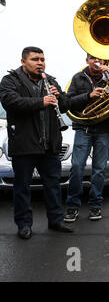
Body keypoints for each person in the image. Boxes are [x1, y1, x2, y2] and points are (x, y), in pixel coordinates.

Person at [0, 46, 78, 239]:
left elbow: (67, 105)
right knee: (22, 187)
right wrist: (41, 101)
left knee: (53, 185)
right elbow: (11, 102)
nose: (40, 63)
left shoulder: (50, 80)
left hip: (50, 144)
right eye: (35, 59)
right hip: (24, 144)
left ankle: (56, 220)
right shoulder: (10, 80)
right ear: (23, 62)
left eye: (42, 59)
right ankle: (24, 225)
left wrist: (59, 97)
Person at [64, 54, 109, 222]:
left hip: (104, 129)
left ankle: (95, 206)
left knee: (99, 169)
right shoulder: (78, 78)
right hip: (83, 128)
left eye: (101, 59)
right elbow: (67, 103)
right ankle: (72, 207)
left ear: (105, 61)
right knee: (77, 167)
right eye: (93, 58)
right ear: (87, 60)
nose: (97, 61)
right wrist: (89, 96)